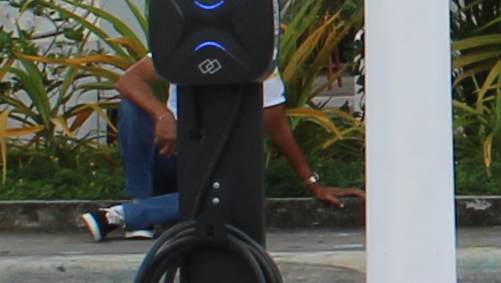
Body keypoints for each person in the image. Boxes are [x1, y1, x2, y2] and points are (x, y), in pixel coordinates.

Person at [87, 41, 333, 240]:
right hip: (171, 152)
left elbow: (279, 130)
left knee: (229, 194)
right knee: (131, 107)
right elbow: (128, 80)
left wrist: (314, 184)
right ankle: (141, 203)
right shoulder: (182, 46)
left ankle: (122, 216)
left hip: (212, 170)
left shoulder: (257, 60)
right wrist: (163, 116)